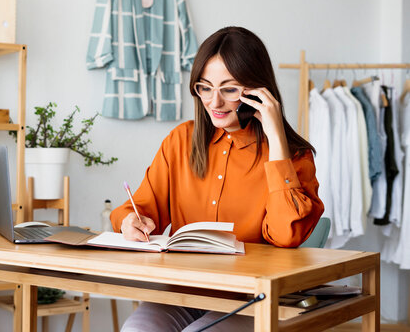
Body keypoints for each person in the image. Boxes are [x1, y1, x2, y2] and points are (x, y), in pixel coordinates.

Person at [110, 26, 324, 331]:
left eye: (229, 89)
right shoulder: (180, 141)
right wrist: (130, 221)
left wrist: (276, 137)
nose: (214, 102)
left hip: (253, 297)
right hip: (184, 291)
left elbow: (287, 235)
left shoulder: (295, 157)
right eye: (205, 87)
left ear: (258, 91)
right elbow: (142, 207)